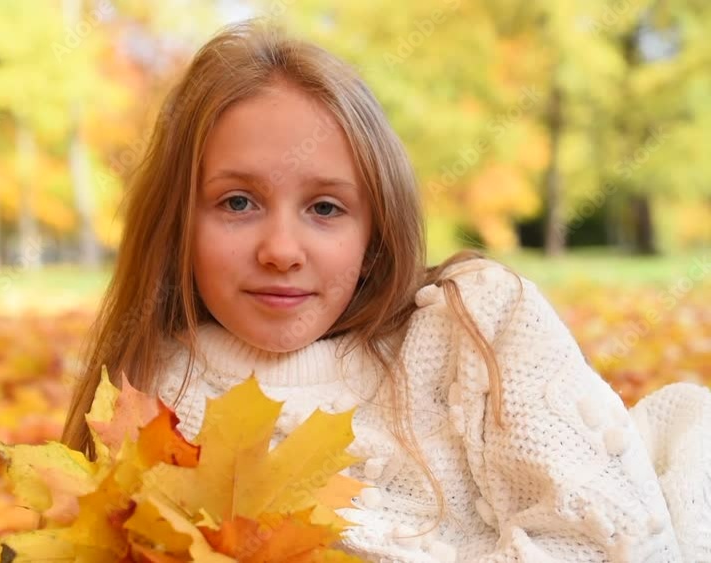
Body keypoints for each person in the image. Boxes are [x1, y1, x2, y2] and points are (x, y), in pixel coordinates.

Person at [61, 19, 710, 562]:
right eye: (237, 201)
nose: (281, 250)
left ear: (375, 230)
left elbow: (614, 542)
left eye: (325, 208)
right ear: (177, 221)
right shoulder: (150, 391)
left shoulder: (473, 327)